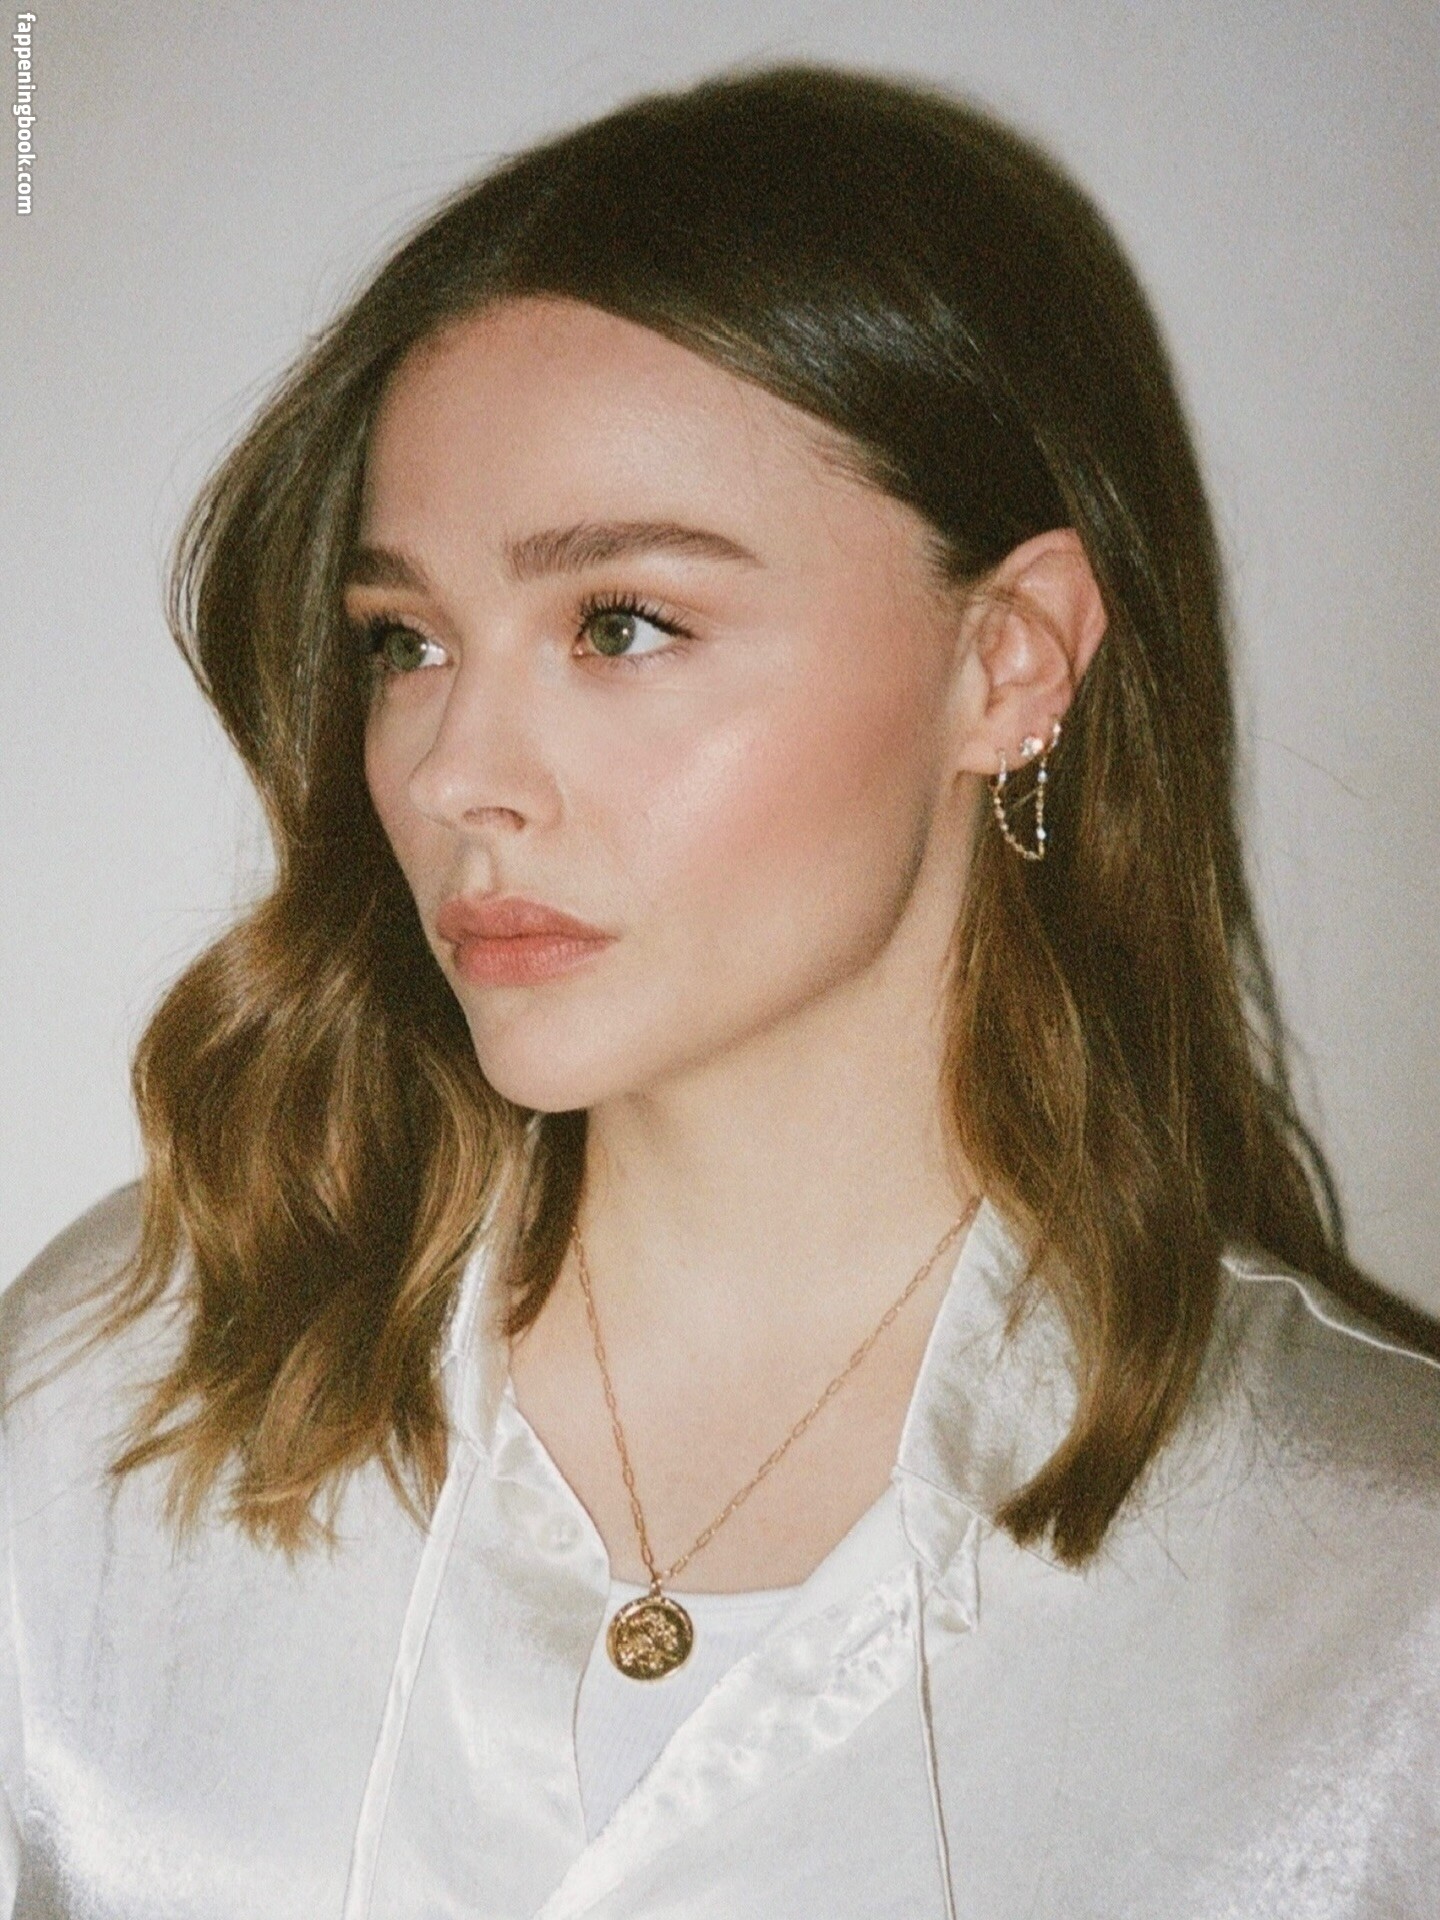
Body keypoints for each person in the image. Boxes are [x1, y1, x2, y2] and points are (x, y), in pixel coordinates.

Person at [2, 63, 1437, 1920]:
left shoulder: (1370, 1606)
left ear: (1008, 664)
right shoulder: (120, 1388)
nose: (452, 773)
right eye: (405, 641)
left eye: (620, 624)